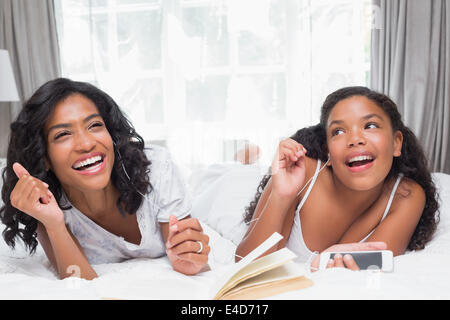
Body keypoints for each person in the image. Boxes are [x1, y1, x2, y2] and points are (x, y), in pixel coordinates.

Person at [0, 78, 210, 280]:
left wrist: (191, 259)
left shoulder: (155, 168)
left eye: (94, 125)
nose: (86, 144)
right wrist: (54, 224)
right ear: (44, 157)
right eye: (63, 134)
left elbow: (190, 258)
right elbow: (79, 281)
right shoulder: (46, 204)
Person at [236, 86, 439, 270]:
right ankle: (243, 160)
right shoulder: (301, 170)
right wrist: (281, 195)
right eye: (339, 131)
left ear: (396, 143)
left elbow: (366, 269)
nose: (355, 140)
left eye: (370, 126)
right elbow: (245, 268)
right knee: (231, 176)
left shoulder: (406, 196)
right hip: (228, 190)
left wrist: (326, 260)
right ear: (328, 152)